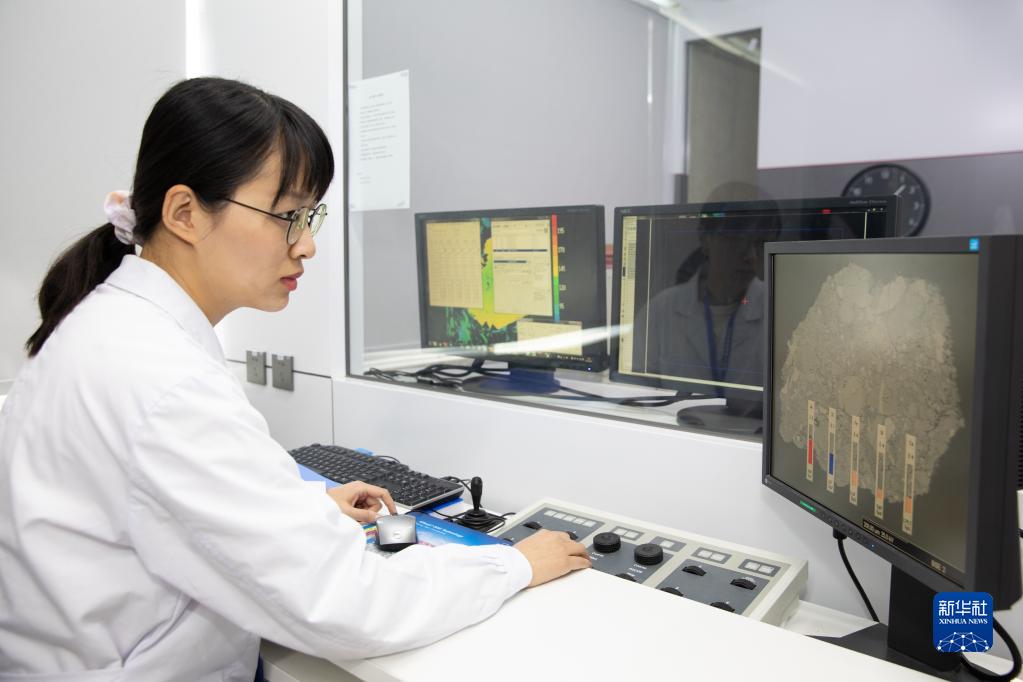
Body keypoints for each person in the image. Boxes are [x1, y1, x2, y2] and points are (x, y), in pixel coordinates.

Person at [0, 77, 590, 681]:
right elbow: (346, 605)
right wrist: (513, 564)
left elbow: (156, 502)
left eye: (310, 217)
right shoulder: (162, 380)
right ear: (184, 213)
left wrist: (302, 509)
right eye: (287, 216)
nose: (307, 245)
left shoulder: (110, 327)